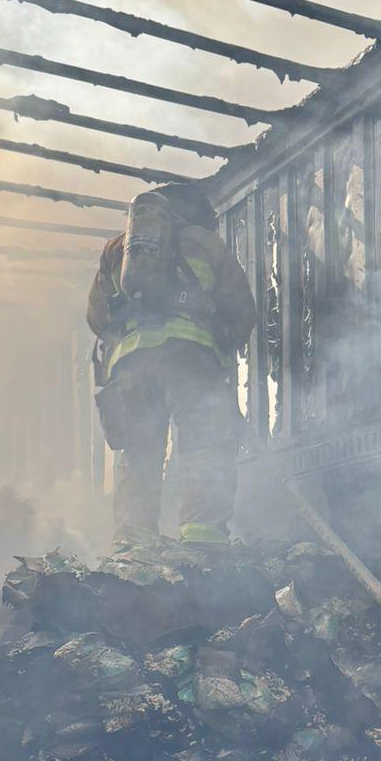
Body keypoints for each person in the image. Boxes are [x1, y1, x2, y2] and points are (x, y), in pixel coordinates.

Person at [88, 183, 256, 547]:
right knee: (205, 446)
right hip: (192, 361)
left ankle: (134, 541)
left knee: (139, 450)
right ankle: (202, 538)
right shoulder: (205, 243)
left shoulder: (118, 249)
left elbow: (97, 317)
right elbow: (242, 309)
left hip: (132, 369)